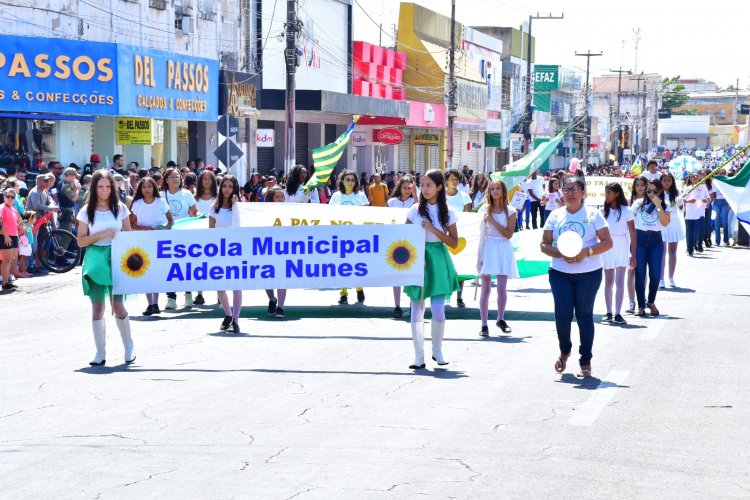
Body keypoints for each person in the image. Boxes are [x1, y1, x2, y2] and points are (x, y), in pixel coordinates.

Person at [541, 173, 613, 378]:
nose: (570, 193)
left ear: (583, 192)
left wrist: (586, 252)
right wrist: (561, 253)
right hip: (560, 273)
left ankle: (586, 361)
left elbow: (607, 242)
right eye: (566, 189)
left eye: (574, 189)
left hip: (589, 274)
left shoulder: (593, 215)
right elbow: (544, 244)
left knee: (584, 316)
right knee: (562, 316)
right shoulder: (555, 215)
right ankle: (565, 351)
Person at [76, 170, 135, 366]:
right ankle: (100, 352)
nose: (104, 190)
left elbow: (129, 235)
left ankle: (129, 347)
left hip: (117, 257)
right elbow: (81, 241)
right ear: (94, 188)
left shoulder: (120, 208)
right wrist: (101, 234)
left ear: (113, 187)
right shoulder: (86, 211)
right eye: (100, 186)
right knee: (98, 305)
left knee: (117, 304)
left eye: (108, 186)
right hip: (95, 258)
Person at [404, 169, 460, 369]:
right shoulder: (414, 209)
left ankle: (437, 349)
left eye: (429, 185)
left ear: (439, 187)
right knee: (416, 309)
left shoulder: (449, 212)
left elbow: (454, 242)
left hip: (438, 258)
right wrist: (416, 256)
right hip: (418, 259)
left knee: (438, 310)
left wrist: (433, 229)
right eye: (423, 185)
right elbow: (405, 236)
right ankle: (418, 356)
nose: (425, 189)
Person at [476, 180, 518, 336]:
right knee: (485, 288)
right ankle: (484, 324)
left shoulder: (511, 210)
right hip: (488, 247)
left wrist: (492, 221)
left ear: (503, 190)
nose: (494, 191)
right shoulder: (485, 209)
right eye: (492, 188)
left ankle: (500, 318)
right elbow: (480, 232)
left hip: (503, 248)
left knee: (501, 288)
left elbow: (508, 234)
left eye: (497, 188)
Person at [129, 177, 174, 316]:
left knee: (157, 271)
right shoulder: (137, 203)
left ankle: (156, 302)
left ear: (154, 187)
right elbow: (131, 224)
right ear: (140, 189)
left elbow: (170, 221)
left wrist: (164, 229)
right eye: (144, 187)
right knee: (146, 271)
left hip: (159, 241)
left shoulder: (161, 202)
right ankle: (150, 304)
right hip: (143, 241)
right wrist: (146, 229)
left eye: (149, 186)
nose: (147, 189)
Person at [632, 179, 671, 317]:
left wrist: (658, 206)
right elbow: (630, 223)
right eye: (649, 191)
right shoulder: (637, 204)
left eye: (655, 191)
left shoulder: (664, 205)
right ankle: (641, 305)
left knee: (655, 275)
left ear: (660, 191)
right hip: (640, 241)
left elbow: (665, 223)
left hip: (655, 241)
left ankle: (651, 301)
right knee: (640, 274)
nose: (652, 194)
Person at [329, 170, 369, 304]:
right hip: (340, 235)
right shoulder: (336, 196)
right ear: (342, 181)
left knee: (357, 264)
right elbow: (329, 215)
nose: (350, 182)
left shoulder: (361, 196)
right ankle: (344, 293)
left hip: (358, 236)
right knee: (343, 265)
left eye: (353, 180)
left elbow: (367, 215)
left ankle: (359, 288)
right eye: (347, 180)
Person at [210, 175, 243, 334]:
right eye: (224, 186)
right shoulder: (214, 208)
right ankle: (228, 314)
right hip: (219, 250)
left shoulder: (239, 206)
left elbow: (242, 225)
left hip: (236, 250)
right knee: (220, 287)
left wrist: (237, 205)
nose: (227, 189)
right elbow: (210, 231)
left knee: (236, 286)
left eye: (230, 186)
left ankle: (236, 320)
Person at [162, 167, 198, 309]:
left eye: (177, 176)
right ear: (166, 180)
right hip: (167, 235)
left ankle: (188, 293)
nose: (175, 178)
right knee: (169, 267)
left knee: (185, 266)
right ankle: (171, 298)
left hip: (184, 235)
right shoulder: (160, 194)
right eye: (172, 176)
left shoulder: (187, 193)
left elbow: (194, 212)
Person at [601, 183, 636, 324]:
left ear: (616, 193)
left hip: (622, 245)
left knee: (619, 280)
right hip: (608, 245)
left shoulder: (627, 210)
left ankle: (618, 313)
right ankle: (609, 312)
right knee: (608, 281)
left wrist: (633, 254)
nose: (606, 195)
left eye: (609, 192)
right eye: (606, 192)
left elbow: (633, 233)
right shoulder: (603, 211)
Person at [387, 174, 417, 318]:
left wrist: (416, 194)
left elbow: (420, 209)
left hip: (412, 241)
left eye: (409, 188)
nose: (407, 190)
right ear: (400, 187)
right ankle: (397, 305)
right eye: (404, 187)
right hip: (396, 240)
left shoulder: (415, 201)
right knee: (396, 274)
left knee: (412, 274)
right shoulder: (392, 202)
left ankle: (413, 304)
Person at [444, 168, 471, 307]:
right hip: (443, 235)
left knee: (461, 267)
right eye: (451, 179)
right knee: (445, 267)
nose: (454, 181)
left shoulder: (464, 196)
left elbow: (468, 217)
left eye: (456, 179)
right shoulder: (440, 196)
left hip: (461, 236)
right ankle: (445, 293)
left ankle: (459, 297)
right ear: (446, 181)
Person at [264, 186, 289, 319]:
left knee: (282, 277)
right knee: (267, 278)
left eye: (282, 197)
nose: (279, 199)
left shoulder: (289, 212)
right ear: (271, 198)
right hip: (267, 248)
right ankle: (272, 299)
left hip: (284, 249)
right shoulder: (263, 213)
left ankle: (281, 306)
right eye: (277, 197)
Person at [626, 176, 648, 314]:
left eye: (642, 185)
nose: (640, 187)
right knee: (631, 269)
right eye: (637, 185)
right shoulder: (629, 203)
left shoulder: (649, 201)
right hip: (631, 239)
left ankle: (642, 297)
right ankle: (631, 301)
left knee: (642, 271)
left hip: (644, 239)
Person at [659, 173, 684, 288]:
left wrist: (680, 202)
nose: (667, 182)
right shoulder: (658, 193)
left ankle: (671, 277)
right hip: (662, 222)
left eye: (669, 180)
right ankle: (661, 278)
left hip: (673, 222)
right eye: (665, 180)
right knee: (662, 252)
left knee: (673, 251)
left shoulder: (677, 192)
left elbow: (681, 208)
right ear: (661, 181)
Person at [1, 188, 23, 290]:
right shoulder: (2, 207)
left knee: (10, 260)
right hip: (6, 236)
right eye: (8, 196)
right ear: (4, 197)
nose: (10, 198)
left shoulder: (12, 209)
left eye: (12, 197)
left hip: (13, 236)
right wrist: (5, 235)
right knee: (6, 261)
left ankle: (7, 281)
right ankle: (5, 283)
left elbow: (18, 223)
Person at [683, 172, 710, 256]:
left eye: (697, 176)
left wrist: (706, 200)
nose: (695, 177)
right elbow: (682, 199)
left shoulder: (703, 187)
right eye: (693, 176)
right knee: (690, 233)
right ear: (690, 179)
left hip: (700, 213)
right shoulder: (687, 189)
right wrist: (688, 201)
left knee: (702, 230)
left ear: (699, 178)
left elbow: (708, 198)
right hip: (690, 214)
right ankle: (690, 249)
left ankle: (699, 244)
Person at [58, 167, 81, 233]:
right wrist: (78, 189)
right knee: (66, 237)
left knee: (71, 234)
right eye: (75, 176)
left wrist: (74, 188)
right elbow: (73, 198)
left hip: (67, 212)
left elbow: (70, 195)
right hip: (65, 213)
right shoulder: (65, 185)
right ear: (70, 176)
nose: (75, 178)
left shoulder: (64, 183)